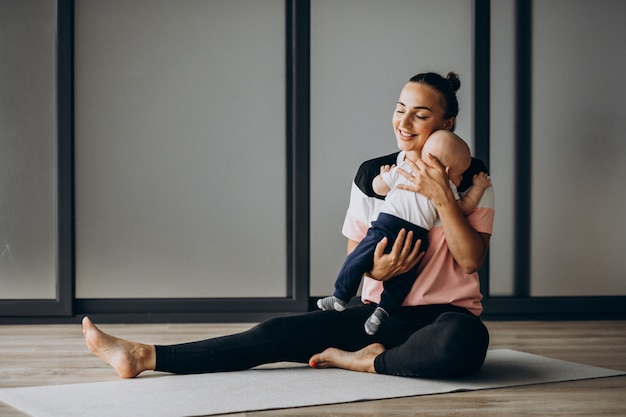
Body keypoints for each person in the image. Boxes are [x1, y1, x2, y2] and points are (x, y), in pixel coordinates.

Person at [82, 71, 494, 379]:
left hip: (445, 320)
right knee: (276, 331)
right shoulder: (375, 175)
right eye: (400, 110)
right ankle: (142, 356)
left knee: (466, 340)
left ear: (447, 124)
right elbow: (356, 257)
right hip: (377, 318)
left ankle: (367, 362)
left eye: (420, 116)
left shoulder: (470, 175)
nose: (404, 123)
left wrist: (442, 194)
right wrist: (377, 270)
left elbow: (470, 259)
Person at [317, 129, 491, 336]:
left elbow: (462, 209)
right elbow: (378, 187)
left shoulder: (447, 188)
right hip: (388, 226)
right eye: (458, 173)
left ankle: (382, 312)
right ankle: (340, 296)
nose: (461, 178)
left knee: (402, 280)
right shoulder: (406, 168)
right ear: (444, 169)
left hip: (413, 237)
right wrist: (383, 176)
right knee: (359, 258)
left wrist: (476, 188)